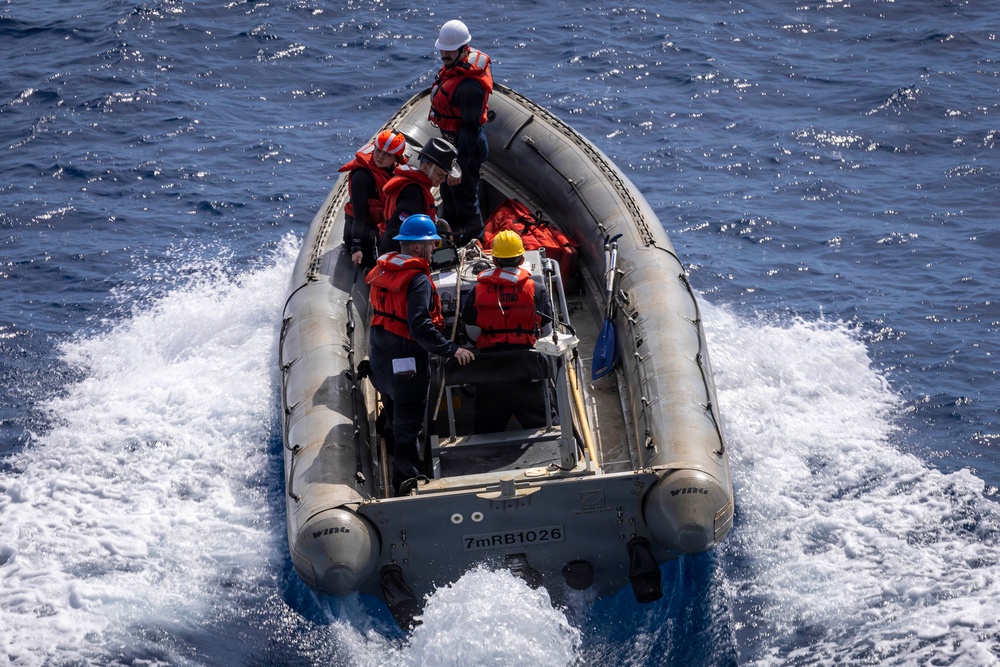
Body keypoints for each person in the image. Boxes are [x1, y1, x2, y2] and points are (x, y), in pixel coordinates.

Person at [366, 214, 475, 493]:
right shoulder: (418, 280)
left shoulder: (385, 270)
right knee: (409, 426)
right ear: (417, 247)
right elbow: (419, 325)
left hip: (381, 356)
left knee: (392, 408)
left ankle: (389, 450)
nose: (434, 248)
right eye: (430, 244)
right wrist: (451, 348)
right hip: (407, 361)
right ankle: (406, 482)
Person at [461, 230, 553, 434]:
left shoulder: (477, 291)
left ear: (494, 260)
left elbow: (470, 332)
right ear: (521, 259)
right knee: (543, 423)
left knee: (487, 427)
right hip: (527, 368)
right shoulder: (536, 289)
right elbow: (546, 330)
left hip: (490, 370)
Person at [428, 19, 493, 245]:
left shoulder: (469, 88)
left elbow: (470, 130)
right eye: (442, 50)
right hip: (451, 144)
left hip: (466, 147)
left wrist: (458, 168)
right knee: (448, 194)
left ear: (464, 49)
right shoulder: (455, 67)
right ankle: (453, 237)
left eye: (449, 50)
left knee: (465, 198)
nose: (444, 54)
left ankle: (475, 240)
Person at [379, 137, 461, 254]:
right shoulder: (413, 195)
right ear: (425, 167)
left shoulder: (417, 188)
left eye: (444, 175)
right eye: (439, 174)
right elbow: (395, 234)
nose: (443, 180)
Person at [339, 129, 407, 267]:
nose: (380, 157)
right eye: (378, 151)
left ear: (396, 158)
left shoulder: (393, 171)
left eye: (387, 154)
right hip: (361, 231)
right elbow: (359, 215)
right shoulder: (362, 176)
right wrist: (356, 248)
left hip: (381, 224)